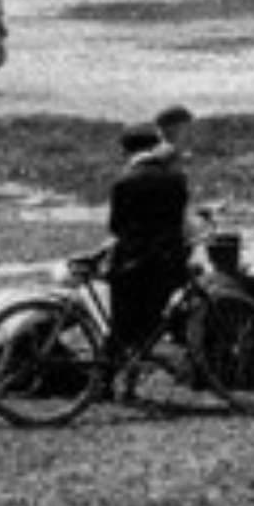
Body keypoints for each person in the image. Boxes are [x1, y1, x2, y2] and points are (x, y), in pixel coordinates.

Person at [105, 124, 192, 359]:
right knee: (152, 322)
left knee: (121, 324)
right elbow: (178, 222)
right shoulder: (176, 179)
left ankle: (108, 380)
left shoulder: (123, 182)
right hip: (169, 262)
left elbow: (115, 226)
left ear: (126, 151)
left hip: (131, 264)